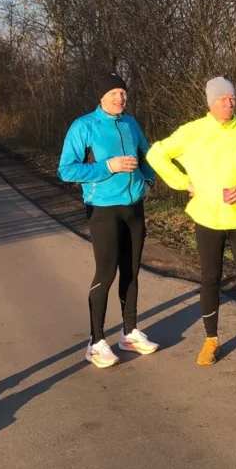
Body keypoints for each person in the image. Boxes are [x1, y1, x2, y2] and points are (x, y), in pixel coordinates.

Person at [146, 77, 236, 368]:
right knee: (210, 279)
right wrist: (183, 183)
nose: (230, 103)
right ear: (210, 103)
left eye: (232, 98)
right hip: (207, 216)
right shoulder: (193, 132)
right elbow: (156, 154)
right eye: (223, 99)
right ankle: (211, 340)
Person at [58, 72, 158, 368]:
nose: (120, 97)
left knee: (131, 271)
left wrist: (148, 182)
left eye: (123, 92)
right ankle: (96, 341)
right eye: (113, 93)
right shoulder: (84, 126)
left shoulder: (130, 123)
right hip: (102, 209)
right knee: (106, 273)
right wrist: (108, 166)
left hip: (134, 208)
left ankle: (129, 333)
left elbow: (148, 154)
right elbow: (66, 170)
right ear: (101, 97)